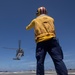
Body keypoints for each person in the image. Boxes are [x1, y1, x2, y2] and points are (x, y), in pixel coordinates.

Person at [26, 6, 68, 75]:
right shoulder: (51, 19)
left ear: (38, 12)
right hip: (53, 41)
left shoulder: (35, 20)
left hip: (41, 42)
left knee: (40, 62)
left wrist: (27, 27)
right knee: (58, 60)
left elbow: (27, 28)